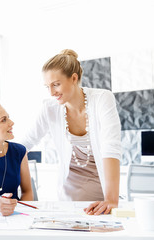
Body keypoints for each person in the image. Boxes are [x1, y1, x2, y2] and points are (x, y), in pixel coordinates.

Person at [21, 49, 121, 215]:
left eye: (56, 84)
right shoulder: (50, 108)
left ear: (74, 78)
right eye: (47, 87)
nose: (52, 93)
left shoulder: (102, 98)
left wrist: (111, 200)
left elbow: (111, 146)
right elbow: (25, 144)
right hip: (67, 200)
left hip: (102, 196)